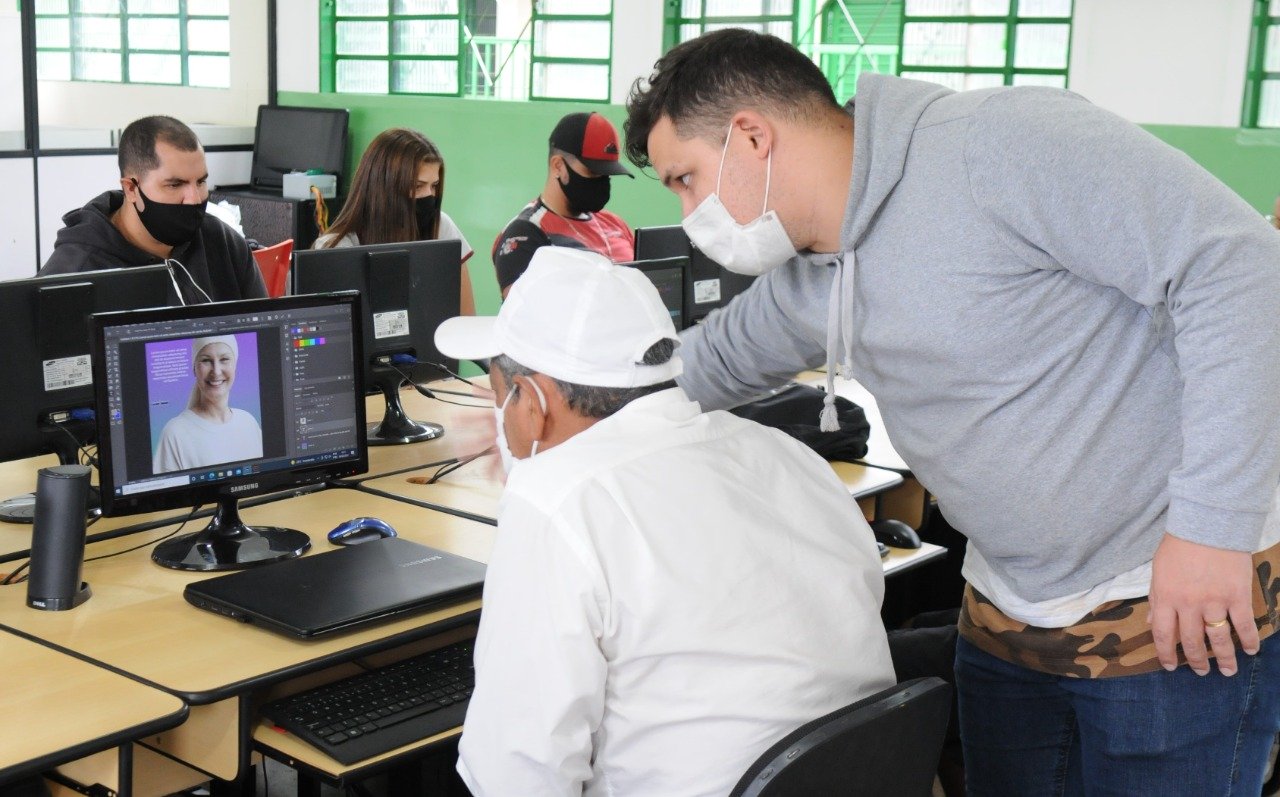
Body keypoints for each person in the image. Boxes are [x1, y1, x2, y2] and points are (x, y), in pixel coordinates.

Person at [623, 28, 1280, 794]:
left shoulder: (994, 146)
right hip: (1007, 625)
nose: (688, 209)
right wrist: (550, 409)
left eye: (684, 178)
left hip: (1167, 620)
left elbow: (1239, 268)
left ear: (751, 136)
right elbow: (711, 363)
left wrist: (1210, 525)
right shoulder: (816, 272)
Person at [435, 246, 895, 795]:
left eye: (498, 397)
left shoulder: (557, 501)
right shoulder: (785, 453)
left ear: (533, 400)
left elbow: (516, 775)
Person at [40, 115, 266, 303]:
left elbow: (262, 336)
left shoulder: (223, 243)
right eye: (175, 185)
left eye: (200, 182)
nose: (194, 199)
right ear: (131, 189)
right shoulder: (75, 271)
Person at [314, 127, 476, 315]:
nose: (429, 196)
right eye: (417, 186)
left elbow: (467, 318)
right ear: (383, 188)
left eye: (434, 186)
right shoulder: (338, 246)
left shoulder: (441, 225)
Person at [491, 112, 635, 297]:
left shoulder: (615, 224)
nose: (601, 183)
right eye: (592, 172)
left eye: (606, 175)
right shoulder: (526, 233)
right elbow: (524, 315)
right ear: (558, 165)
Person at [153, 335, 262, 473]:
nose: (216, 371)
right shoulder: (175, 433)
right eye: (206, 360)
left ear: (235, 365)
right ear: (194, 369)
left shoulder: (248, 422)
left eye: (224, 359)